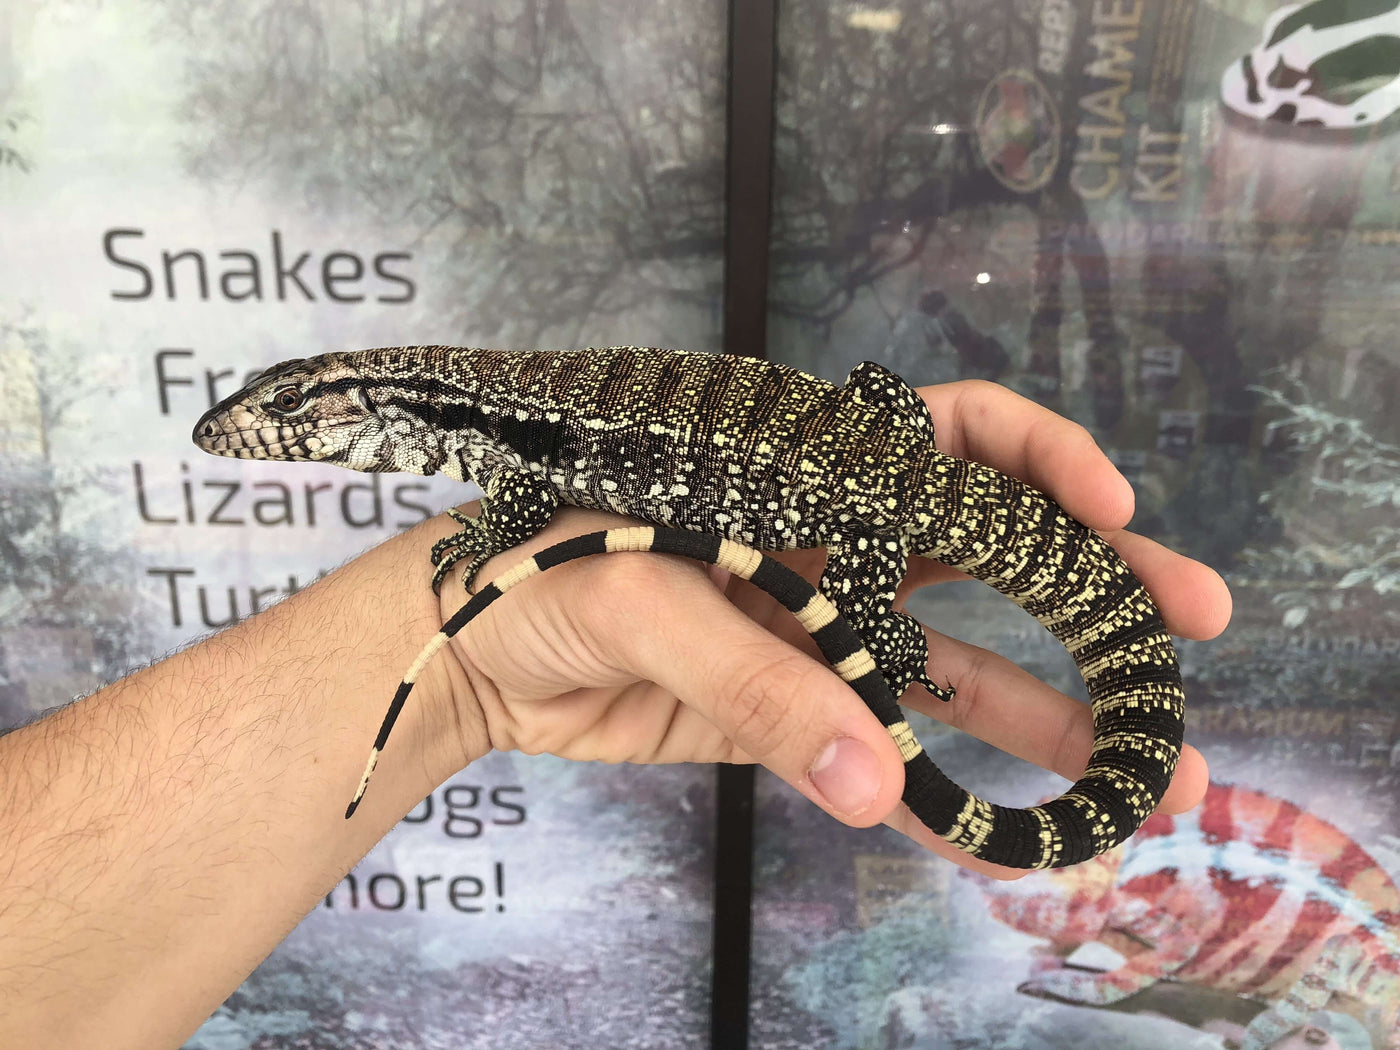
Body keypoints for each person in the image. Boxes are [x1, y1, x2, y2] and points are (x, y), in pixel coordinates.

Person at [0, 380, 1228, 1049]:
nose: (259, 440)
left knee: (870, 596)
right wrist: (467, 642)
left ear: (359, 413)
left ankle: (886, 640)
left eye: (279, 424)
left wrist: (877, 642)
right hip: (875, 467)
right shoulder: (497, 416)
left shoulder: (504, 435)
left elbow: (539, 477)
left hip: (893, 501)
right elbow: (543, 473)